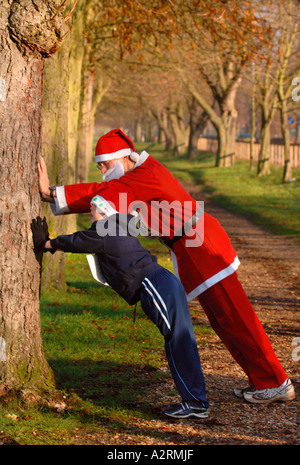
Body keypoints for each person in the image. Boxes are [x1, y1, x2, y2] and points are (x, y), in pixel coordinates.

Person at [38, 128, 295, 404]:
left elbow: (104, 193)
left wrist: (51, 193)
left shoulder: (143, 175)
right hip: (193, 246)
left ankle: (275, 381)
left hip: (201, 246)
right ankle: (264, 381)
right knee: (224, 320)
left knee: (235, 317)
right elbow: (112, 198)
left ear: (124, 158)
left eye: (105, 165)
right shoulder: (140, 173)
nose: (103, 172)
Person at [31, 195, 209, 419]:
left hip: (154, 284)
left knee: (178, 341)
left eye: (92, 209)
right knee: (181, 339)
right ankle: (196, 400)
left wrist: (47, 243)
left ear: (103, 212)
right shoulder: (118, 224)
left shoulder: (105, 229)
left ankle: (195, 402)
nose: (90, 213)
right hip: (164, 282)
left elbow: (77, 241)